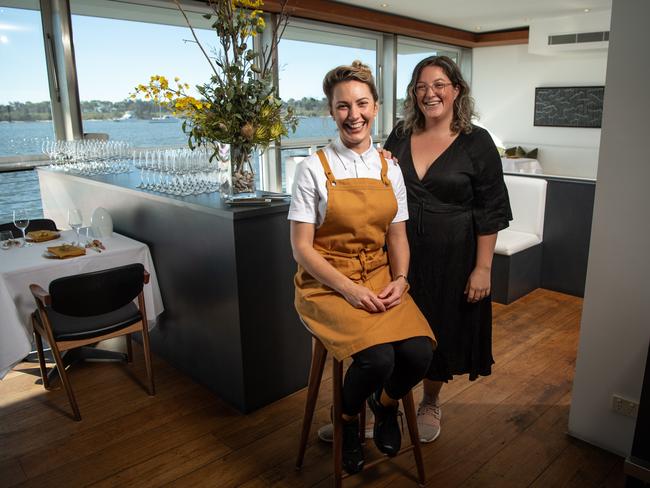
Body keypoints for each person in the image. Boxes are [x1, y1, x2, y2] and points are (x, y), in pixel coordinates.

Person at [289, 61, 436, 475]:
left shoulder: (390, 167)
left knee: (420, 351)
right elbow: (302, 249)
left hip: (379, 275)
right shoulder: (312, 168)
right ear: (330, 111)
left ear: (375, 107)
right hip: (326, 283)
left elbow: (397, 238)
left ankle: (385, 405)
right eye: (342, 106)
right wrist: (350, 291)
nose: (353, 115)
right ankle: (348, 420)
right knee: (377, 359)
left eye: (361, 104)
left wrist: (402, 279)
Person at [383, 55, 512, 443]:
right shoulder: (400, 135)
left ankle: (429, 401)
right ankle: (386, 402)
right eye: (421, 86)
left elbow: (490, 209)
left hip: (455, 257)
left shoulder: (477, 142)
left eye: (439, 84)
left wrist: (483, 268)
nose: (430, 93)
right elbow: (380, 183)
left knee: (441, 328)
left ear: (456, 90)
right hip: (401, 252)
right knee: (393, 331)